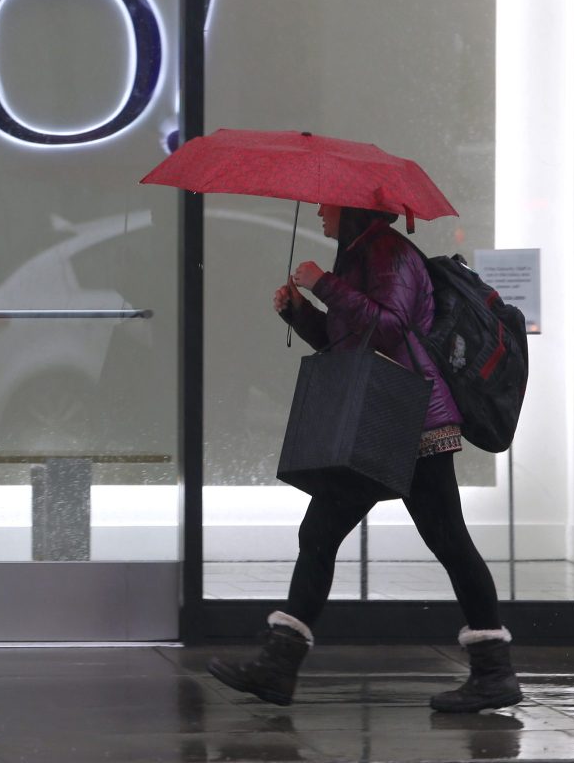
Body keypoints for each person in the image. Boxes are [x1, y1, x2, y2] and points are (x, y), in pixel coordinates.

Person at [207, 204, 521, 714]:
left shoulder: (389, 253)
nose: (319, 209)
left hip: (408, 420)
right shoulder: (360, 255)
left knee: (435, 540)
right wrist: (299, 312)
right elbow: (350, 340)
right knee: (344, 534)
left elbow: (393, 326)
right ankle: (280, 666)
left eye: (327, 203)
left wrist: (324, 285)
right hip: (386, 417)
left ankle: (492, 672)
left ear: (352, 207)